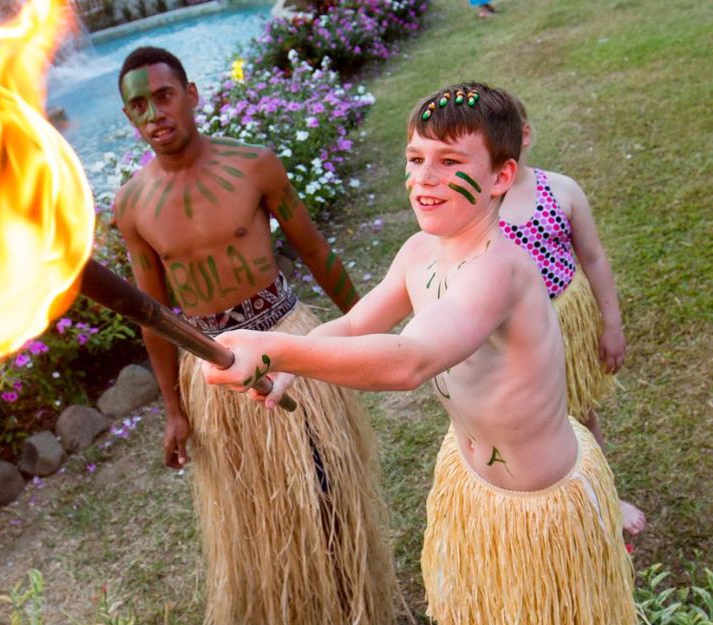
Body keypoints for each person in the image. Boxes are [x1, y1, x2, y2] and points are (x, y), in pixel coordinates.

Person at [203, 82, 636, 624]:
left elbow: (413, 360)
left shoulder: (498, 269)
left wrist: (275, 350)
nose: (425, 177)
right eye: (415, 158)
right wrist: (293, 365)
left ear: (501, 176)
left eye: (449, 161)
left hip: (540, 504)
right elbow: (356, 323)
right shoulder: (418, 252)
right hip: (473, 480)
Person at [112, 46, 397, 625]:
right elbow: (152, 315)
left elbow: (316, 253)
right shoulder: (132, 206)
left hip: (288, 345)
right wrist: (174, 410)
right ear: (129, 117)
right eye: (138, 106)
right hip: (215, 371)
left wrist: (371, 331)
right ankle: (299, 610)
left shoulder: (254, 165)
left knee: (324, 484)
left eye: (164, 96)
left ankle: (355, 604)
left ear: (191, 95)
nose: (154, 114)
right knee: (258, 513)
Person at [499, 93, 646, 535]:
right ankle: (549, 504)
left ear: (525, 135)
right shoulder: (478, 208)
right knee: (531, 426)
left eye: (502, 137)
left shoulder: (561, 190)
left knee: (578, 413)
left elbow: (594, 258)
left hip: (567, 324)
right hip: (512, 337)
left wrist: (612, 324)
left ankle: (603, 494)